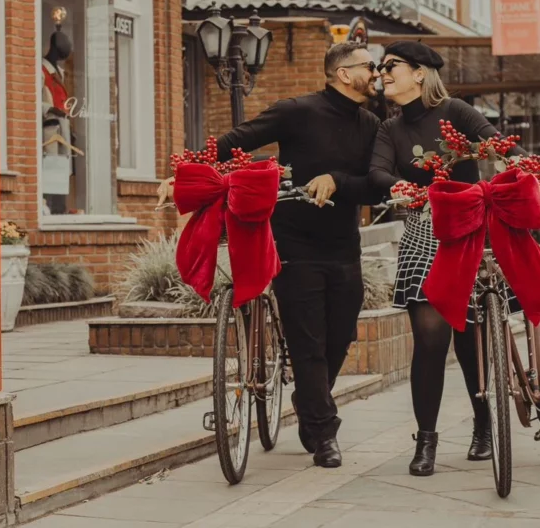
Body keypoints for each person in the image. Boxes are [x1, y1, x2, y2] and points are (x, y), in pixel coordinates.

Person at [159, 42, 381, 469]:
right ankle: (324, 431)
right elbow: (236, 140)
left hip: (343, 246)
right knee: (308, 342)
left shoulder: (372, 123)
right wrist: (183, 173)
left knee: (340, 338)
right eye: (369, 66)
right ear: (342, 73)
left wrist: (336, 179)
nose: (375, 73)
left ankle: (308, 400)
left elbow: (374, 183)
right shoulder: (298, 110)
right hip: (293, 242)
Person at [367, 41, 520, 477]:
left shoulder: (456, 111)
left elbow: (500, 144)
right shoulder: (389, 128)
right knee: (430, 341)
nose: (382, 73)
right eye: (380, 67)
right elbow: (377, 171)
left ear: (419, 73)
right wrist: (396, 185)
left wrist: (533, 170)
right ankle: (427, 441)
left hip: (469, 231)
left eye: (390, 66)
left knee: (470, 340)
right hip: (421, 233)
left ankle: (485, 424)